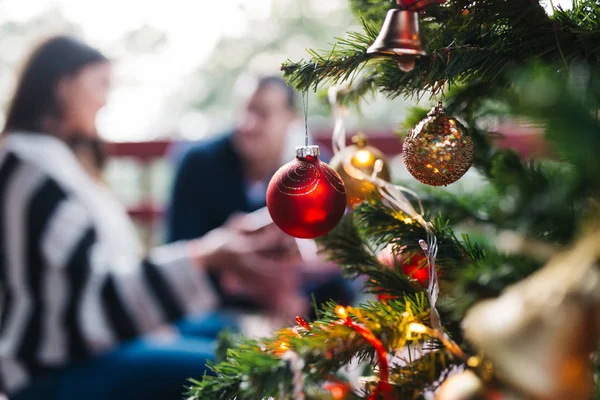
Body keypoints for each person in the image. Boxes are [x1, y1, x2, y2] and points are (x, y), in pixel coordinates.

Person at [0, 36, 298, 400]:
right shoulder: (31, 170)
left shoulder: (45, 163)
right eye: (101, 84)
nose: (105, 99)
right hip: (49, 369)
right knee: (244, 368)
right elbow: (91, 301)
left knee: (233, 332)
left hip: (83, 347)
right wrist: (205, 256)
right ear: (63, 87)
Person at [167, 76, 355, 312]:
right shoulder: (197, 163)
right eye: (244, 111)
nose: (247, 124)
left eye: (262, 114)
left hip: (306, 300)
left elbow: (339, 253)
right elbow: (179, 248)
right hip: (219, 305)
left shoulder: (319, 169)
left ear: (292, 120)